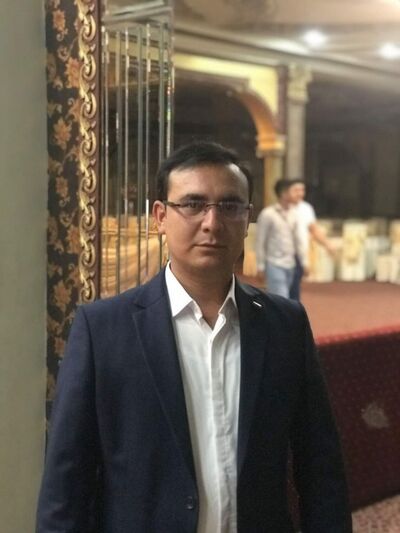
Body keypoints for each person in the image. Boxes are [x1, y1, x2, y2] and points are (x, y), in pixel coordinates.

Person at [36, 141, 352, 533]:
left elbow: (320, 466)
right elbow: (66, 482)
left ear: (248, 218)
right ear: (160, 216)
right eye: (193, 204)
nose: (212, 223)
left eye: (230, 206)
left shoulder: (284, 324)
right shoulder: (103, 330)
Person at [256, 178, 307, 299]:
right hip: (274, 263)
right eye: (293, 191)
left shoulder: (294, 214)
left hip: (291, 264)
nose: (296, 194)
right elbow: (260, 241)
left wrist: (304, 262)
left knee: (288, 299)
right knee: (281, 298)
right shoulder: (268, 214)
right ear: (284, 193)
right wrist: (260, 266)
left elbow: (298, 241)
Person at [288, 179, 336, 300]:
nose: (300, 193)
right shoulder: (279, 209)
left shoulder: (306, 208)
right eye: (296, 190)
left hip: (298, 256)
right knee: (280, 292)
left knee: (294, 293)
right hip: (280, 256)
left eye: (302, 190)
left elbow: (314, 229)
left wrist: (327, 244)